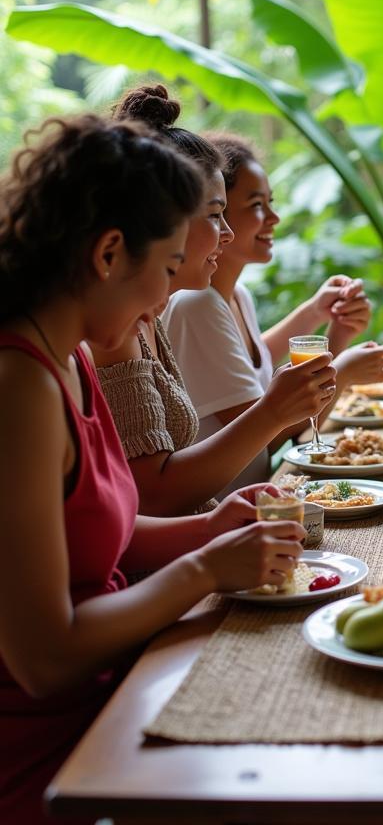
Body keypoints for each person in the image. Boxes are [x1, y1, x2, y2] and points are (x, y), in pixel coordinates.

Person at [0, 115, 305, 825]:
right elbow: (43, 658)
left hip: (117, 693)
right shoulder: (18, 387)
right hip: (57, 762)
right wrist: (203, 571)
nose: (168, 297)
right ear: (109, 253)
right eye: (168, 269)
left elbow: (99, 530)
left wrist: (205, 531)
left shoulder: (73, 353)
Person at [92, 86, 337, 514]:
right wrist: (274, 411)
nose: (225, 232)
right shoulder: (120, 330)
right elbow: (153, 496)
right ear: (166, 219)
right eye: (214, 214)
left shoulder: (151, 317)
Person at [164, 129, 383, 492]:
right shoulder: (198, 303)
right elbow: (272, 435)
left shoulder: (235, 296)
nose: (274, 218)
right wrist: (342, 368)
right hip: (229, 506)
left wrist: (321, 318)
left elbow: (252, 359)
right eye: (257, 205)